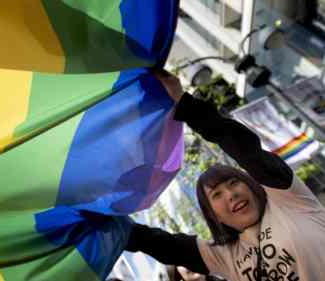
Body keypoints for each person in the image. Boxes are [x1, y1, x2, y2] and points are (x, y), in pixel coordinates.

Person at [125, 69, 325, 281]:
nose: (230, 195)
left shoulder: (288, 200)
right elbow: (150, 241)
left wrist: (183, 102)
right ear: (214, 215)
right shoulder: (224, 257)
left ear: (251, 184)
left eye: (233, 183)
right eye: (216, 195)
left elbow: (244, 148)